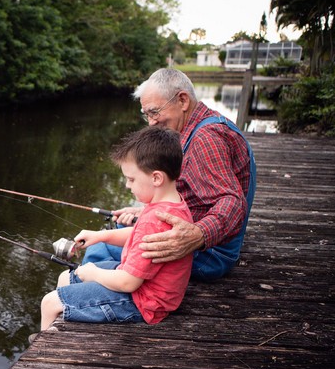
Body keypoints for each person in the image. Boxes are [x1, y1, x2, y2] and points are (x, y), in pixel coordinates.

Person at [82, 68, 256, 282]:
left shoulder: (206, 138)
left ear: (182, 101)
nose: (151, 122)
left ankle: (101, 297)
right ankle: (114, 280)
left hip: (212, 255)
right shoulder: (200, 125)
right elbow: (194, 195)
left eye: (155, 112)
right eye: (146, 114)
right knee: (125, 226)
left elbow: (233, 201)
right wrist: (146, 212)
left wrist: (197, 235)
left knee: (101, 247)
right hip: (211, 245)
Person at [36, 126, 192, 334]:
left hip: (143, 303)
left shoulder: (155, 219)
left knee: (49, 303)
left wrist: (93, 272)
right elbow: (139, 237)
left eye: (131, 179)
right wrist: (102, 236)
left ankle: (44, 351)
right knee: (66, 277)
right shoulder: (170, 205)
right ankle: (69, 314)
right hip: (147, 289)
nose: (127, 185)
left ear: (156, 178)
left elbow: (128, 282)